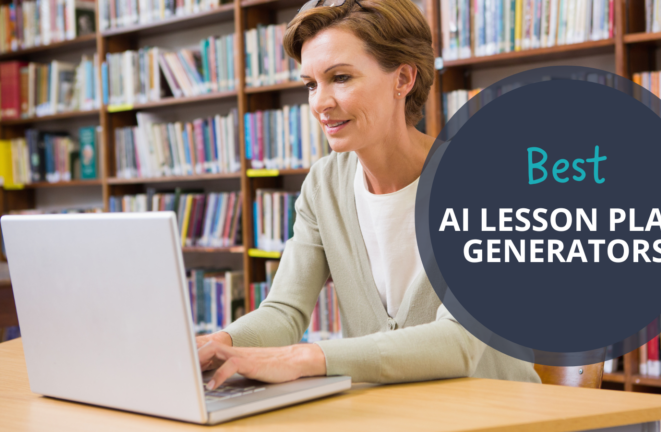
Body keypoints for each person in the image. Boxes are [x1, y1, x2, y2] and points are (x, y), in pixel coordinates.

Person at [196, 0, 541, 390]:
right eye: (311, 84)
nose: (320, 103)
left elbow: (459, 342)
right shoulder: (324, 185)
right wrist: (217, 345)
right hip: (386, 413)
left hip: (495, 413)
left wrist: (307, 357)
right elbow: (284, 312)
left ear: (403, 79)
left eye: (340, 77)